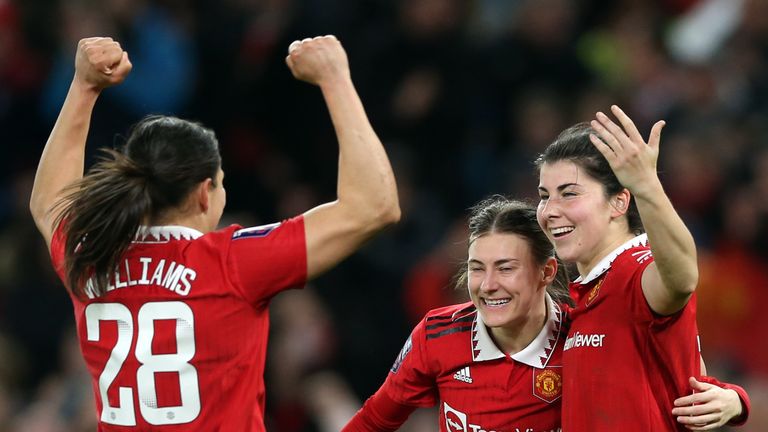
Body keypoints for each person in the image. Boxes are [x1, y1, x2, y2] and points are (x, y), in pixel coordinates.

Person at [29, 35, 400, 431]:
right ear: (205, 193)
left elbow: (49, 200)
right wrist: (335, 78)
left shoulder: (88, 254)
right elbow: (374, 206)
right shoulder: (232, 263)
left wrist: (84, 86)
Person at [535, 106, 749, 431]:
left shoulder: (638, 272)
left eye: (569, 194)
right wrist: (733, 398)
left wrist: (647, 186)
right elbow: (685, 373)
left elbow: (682, 277)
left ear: (620, 202)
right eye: (544, 196)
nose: (549, 210)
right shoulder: (574, 297)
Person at [343, 196, 572, 432]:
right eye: (477, 268)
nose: (488, 285)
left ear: (546, 272)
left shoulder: (581, 337)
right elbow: (373, 421)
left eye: (505, 268)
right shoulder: (436, 334)